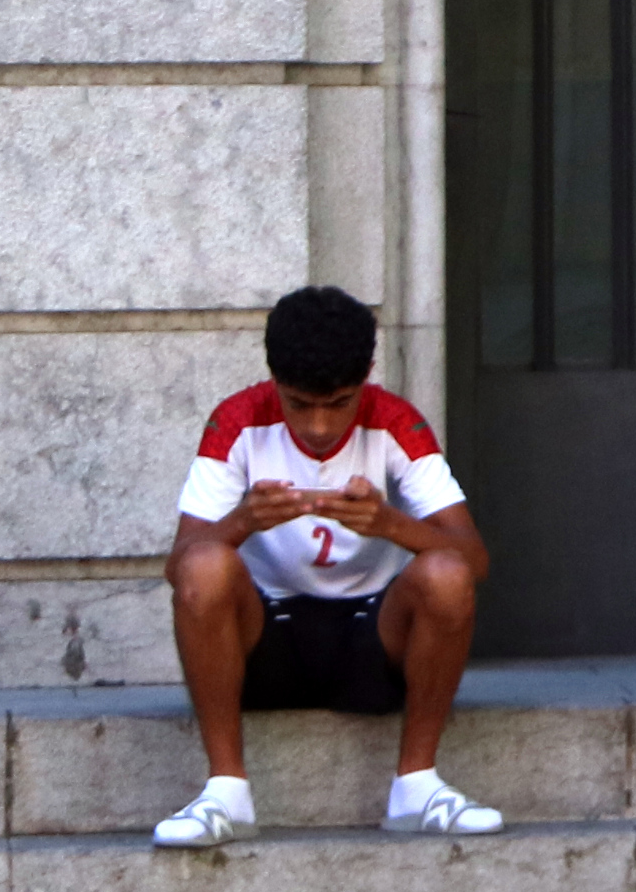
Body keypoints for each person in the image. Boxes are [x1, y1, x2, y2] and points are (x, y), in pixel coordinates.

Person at [153, 287, 502, 848]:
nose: (318, 426)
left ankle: (416, 785)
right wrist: (244, 520)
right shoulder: (237, 420)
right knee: (206, 567)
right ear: (273, 381)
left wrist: (389, 524)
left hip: (372, 641)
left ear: (366, 375)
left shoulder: (396, 423)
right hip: (265, 640)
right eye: (298, 403)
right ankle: (226, 791)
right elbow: (180, 567)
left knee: (446, 575)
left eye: (338, 403)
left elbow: (473, 558)